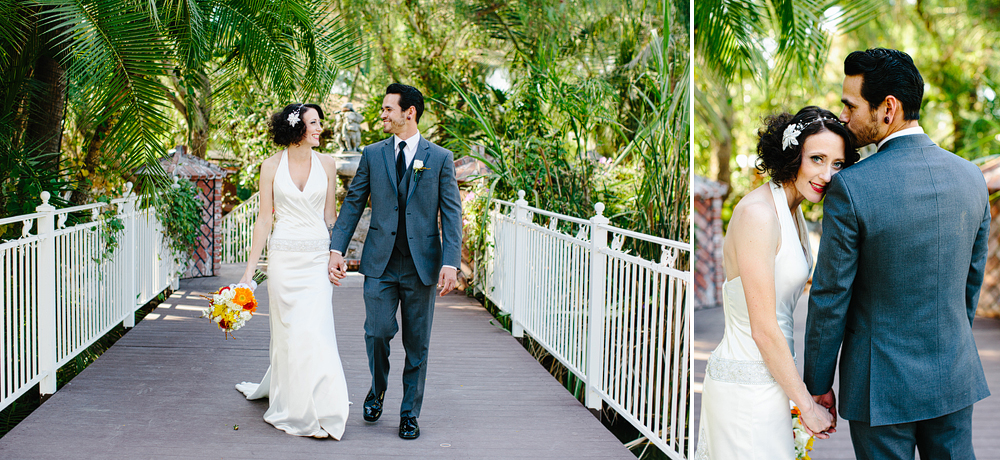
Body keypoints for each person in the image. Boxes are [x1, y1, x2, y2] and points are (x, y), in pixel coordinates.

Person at [804, 48, 991, 460]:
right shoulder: (972, 178)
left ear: (888, 108)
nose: (844, 118)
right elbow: (970, 285)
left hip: (879, 386)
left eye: (850, 106)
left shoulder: (851, 188)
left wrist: (816, 383)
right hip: (953, 373)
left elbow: (830, 296)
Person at [696, 106, 859, 459]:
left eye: (837, 164)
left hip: (773, 379)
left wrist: (798, 389)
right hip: (746, 387)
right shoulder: (758, 214)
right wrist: (807, 406)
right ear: (791, 154)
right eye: (817, 158)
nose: (827, 174)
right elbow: (764, 328)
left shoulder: (793, 210)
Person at [327, 83, 462, 440]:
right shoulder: (373, 154)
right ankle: (378, 389)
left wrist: (451, 261)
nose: (382, 115)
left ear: (409, 113)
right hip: (380, 263)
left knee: (418, 345)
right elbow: (354, 203)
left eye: (388, 109)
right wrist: (337, 248)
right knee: (378, 332)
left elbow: (451, 214)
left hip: (422, 266)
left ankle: (409, 414)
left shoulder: (440, 158)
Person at [234, 103, 350, 439]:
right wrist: (249, 273)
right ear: (296, 128)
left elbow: (330, 217)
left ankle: (325, 405)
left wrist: (337, 254)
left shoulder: (327, 164)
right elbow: (264, 219)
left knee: (316, 332)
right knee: (289, 334)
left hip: (316, 260)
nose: (320, 129)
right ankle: (294, 405)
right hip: (283, 261)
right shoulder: (270, 166)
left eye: (319, 123)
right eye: (314, 123)